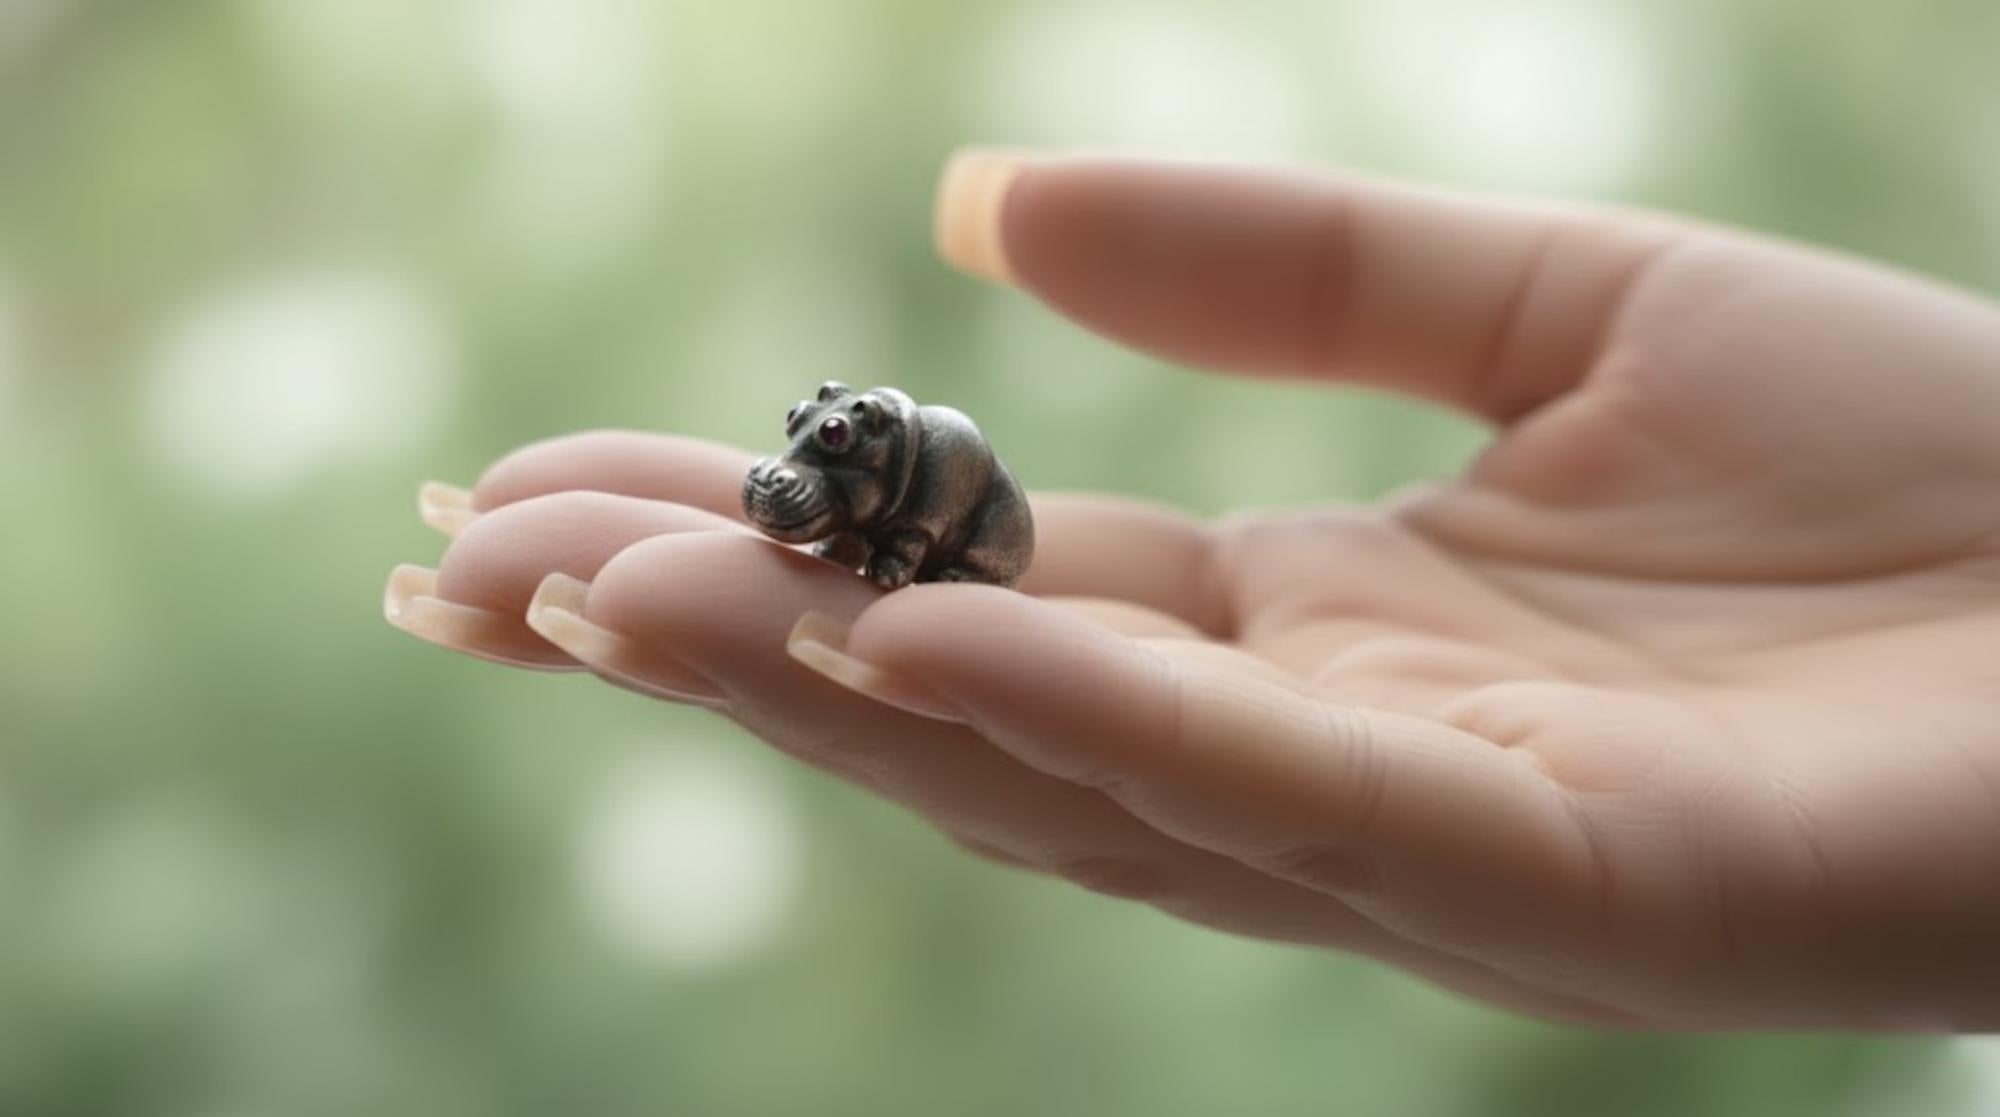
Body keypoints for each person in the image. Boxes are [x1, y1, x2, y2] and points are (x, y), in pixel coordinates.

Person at [385, 150, 2000, 1031]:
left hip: (979, 536)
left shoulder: (929, 472)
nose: (800, 461)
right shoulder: (861, 450)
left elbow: (947, 521)